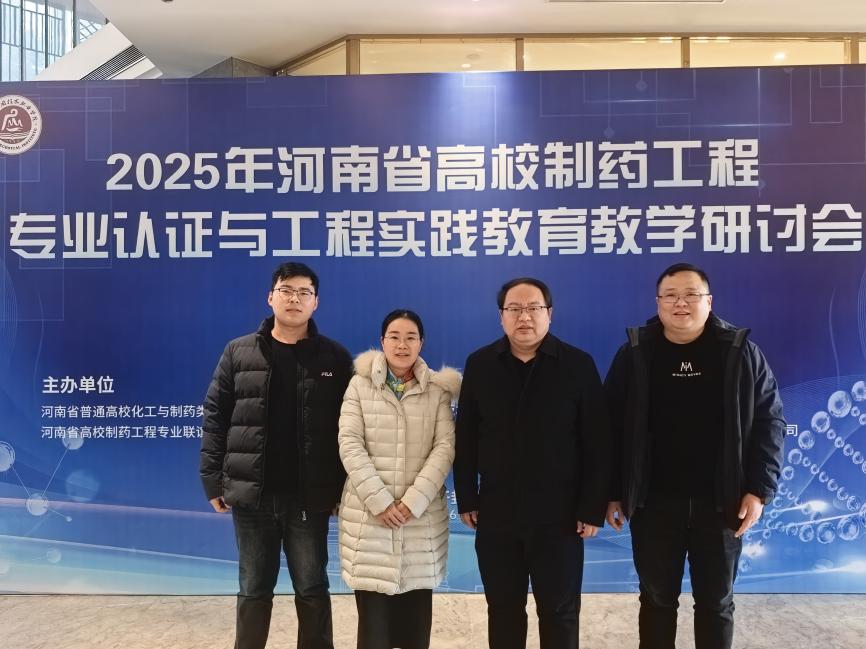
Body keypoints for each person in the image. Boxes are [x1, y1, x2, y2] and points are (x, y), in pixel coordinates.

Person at [604, 262, 786, 649]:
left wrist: (759, 489)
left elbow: (769, 422)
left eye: (691, 294)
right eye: (670, 295)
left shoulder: (740, 352)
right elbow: (610, 427)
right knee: (656, 600)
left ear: (709, 301)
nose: (680, 303)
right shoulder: (635, 353)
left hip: (722, 502)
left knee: (716, 603)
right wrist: (614, 492)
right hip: (653, 504)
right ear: (657, 303)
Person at [200, 262, 353, 649]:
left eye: (304, 293)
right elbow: (215, 417)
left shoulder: (334, 357)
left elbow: (351, 428)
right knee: (253, 589)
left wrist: (342, 489)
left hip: (309, 497)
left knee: (312, 587)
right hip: (253, 496)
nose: (294, 299)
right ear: (271, 298)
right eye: (286, 290)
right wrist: (212, 479)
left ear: (316, 302)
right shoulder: (238, 352)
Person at [453, 277, 610, 649]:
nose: (524, 317)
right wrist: (467, 498)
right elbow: (467, 437)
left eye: (533, 308)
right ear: (501, 316)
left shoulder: (577, 364)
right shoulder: (480, 364)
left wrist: (592, 507)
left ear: (549, 314)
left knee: (560, 611)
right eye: (514, 309)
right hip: (497, 512)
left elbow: (598, 442)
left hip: (560, 516)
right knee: (503, 610)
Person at [337, 309, 459, 649]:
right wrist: (380, 501)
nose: (402, 345)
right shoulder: (360, 385)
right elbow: (349, 442)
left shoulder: (437, 390)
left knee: (415, 628)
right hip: (370, 518)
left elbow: (445, 447)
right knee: (373, 628)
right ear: (382, 341)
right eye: (394, 336)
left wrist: (412, 501)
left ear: (421, 343)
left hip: (420, 520)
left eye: (410, 337)